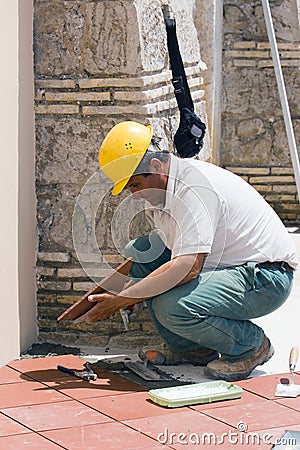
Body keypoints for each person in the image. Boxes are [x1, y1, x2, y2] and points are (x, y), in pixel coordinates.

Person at [75, 120, 298, 381]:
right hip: (227, 266)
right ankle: (194, 349)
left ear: (156, 167)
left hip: (266, 278)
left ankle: (250, 346)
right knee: (140, 253)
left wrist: (126, 299)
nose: (134, 195)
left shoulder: (194, 190)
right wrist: (127, 287)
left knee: (170, 304)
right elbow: (165, 254)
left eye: (135, 185)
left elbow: (188, 268)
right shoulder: (161, 192)